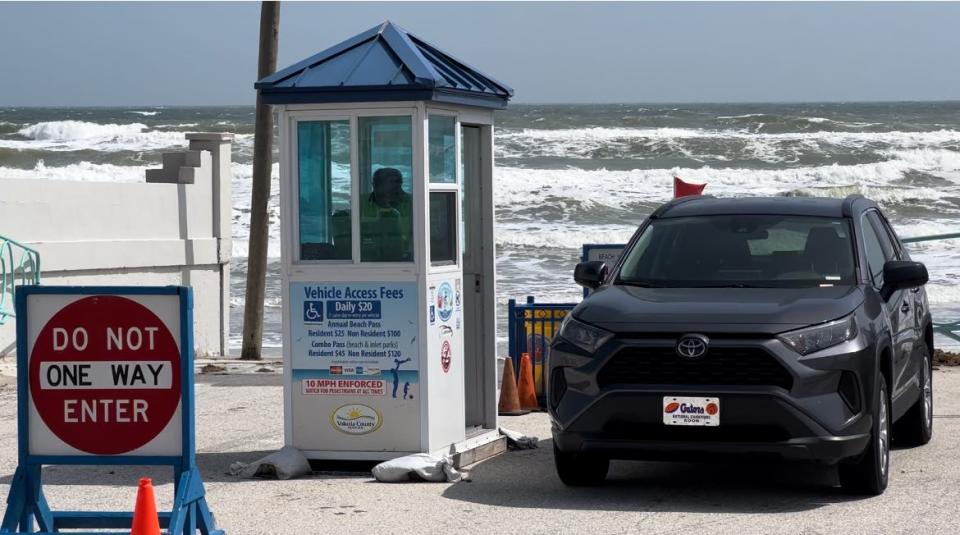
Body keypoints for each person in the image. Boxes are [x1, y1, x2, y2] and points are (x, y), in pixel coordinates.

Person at [361, 167, 413, 261]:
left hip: (407, 260)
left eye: (398, 185)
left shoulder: (413, 203)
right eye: (390, 189)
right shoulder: (360, 202)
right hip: (367, 259)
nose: (398, 191)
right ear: (375, 185)